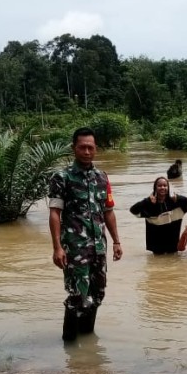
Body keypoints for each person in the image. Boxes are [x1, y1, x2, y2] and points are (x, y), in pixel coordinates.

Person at [48, 127, 123, 342]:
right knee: (78, 295)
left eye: (91, 147)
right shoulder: (62, 177)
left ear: (96, 149)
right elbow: (55, 213)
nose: (87, 151)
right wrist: (57, 247)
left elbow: (108, 211)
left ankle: (87, 339)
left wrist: (117, 241)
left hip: (99, 247)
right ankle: (70, 344)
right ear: (74, 148)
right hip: (75, 248)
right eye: (83, 147)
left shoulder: (102, 177)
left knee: (98, 294)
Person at [129, 177, 187, 254]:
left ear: (168, 187)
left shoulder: (175, 202)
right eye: (159, 186)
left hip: (173, 245)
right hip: (156, 247)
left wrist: (179, 198)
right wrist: (147, 201)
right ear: (155, 188)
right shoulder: (149, 205)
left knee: (174, 264)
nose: (162, 187)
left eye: (165, 185)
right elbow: (133, 210)